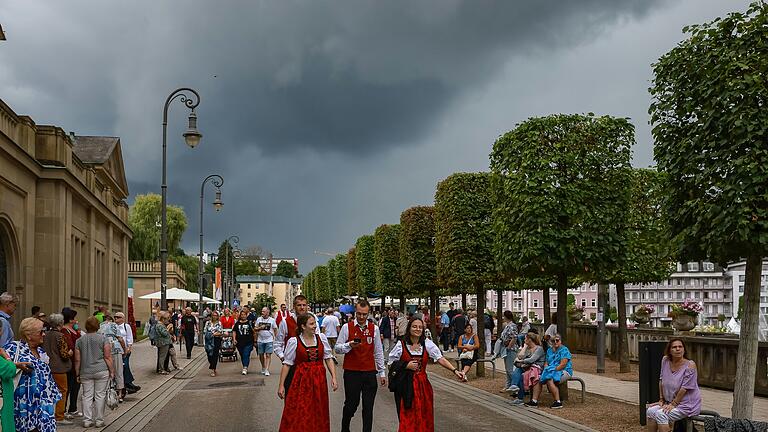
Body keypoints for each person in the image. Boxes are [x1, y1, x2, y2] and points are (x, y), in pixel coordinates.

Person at [389, 318, 465, 431]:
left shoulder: (427, 343)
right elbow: (391, 363)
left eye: (420, 327)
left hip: (423, 386)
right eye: (414, 326)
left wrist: (455, 370)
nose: (417, 329)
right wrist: (405, 365)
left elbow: (440, 358)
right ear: (409, 328)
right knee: (408, 417)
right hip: (406, 386)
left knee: (424, 416)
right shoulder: (401, 344)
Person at [278, 313, 338, 431]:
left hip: (319, 380)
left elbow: (328, 358)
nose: (315, 326)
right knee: (302, 410)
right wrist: (281, 386)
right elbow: (287, 364)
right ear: (303, 326)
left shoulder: (322, 338)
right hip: (302, 382)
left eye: (315, 323)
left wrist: (334, 377)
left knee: (319, 410)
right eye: (311, 324)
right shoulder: (294, 341)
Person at [334, 299, 386, 432]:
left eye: (364, 314)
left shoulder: (374, 328)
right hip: (352, 372)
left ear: (368, 313)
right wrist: (348, 345)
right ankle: (345, 428)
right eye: (359, 314)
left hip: (369, 372)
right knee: (352, 404)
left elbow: (378, 352)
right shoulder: (347, 327)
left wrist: (382, 373)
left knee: (368, 407)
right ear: (355, 313)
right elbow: (338, 348)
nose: (362, 317)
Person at [5, 317, 62, 432]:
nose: (44, 334)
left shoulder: (41, 352)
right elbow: (4, 368)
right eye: (41, 331)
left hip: (44, 408)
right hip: (24, 408)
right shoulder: (13, 348)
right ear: (28, 335)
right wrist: (15, 365)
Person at [646, 338, 701, 432]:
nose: (678, 349)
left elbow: (685, 388)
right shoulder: (665, 360)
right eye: (674, 347)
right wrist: (661, 399)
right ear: (669, 350)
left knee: (661, 414)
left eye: (680, 347)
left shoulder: (690, 365)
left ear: (684, 349)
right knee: (650, 411)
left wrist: (673, 404)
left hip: (686, 404)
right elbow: (661, 380)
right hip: (669, 402)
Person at [75, 316, 114, 428]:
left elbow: (77, 359)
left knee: (86, 395)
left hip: (85, 371)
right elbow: (107, 357)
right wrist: (112, 371)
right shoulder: (103, 339)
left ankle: (87, 420)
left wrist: (77, 373)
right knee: (100, 395)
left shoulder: (79, 341)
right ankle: (99, 420)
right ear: (97, 326)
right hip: (101, 370)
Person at [42, 313, 74, 426]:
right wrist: (70, 353)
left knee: (49, 391)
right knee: (62, 391)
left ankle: (49, 413)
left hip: (47, 366)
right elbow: (64, 354)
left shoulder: (45, 334)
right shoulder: (60, 336)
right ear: (60, 323)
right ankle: (59, 416)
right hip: (59, 368)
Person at [527, 333, 573, 409]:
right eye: (552, 341)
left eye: (557, 340)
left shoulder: (564, 350)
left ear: (560, 341)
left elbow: (563, 365)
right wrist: (547, 370)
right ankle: (534, 401)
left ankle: (557, 402)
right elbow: (546, 363)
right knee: (537, 378)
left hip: (564, 371)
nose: (555, 342)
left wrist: (551, 371)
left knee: (549, 379)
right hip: (551, 370)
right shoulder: (549, 350)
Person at [275, 295, 318, 362]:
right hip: (292, 363)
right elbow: (278, 343)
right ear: (294, 306)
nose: (302, 307)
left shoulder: (313, 321)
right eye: (299, 305)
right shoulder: (285, 322)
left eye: (304, 305)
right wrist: (282, 356)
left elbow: (318, 338)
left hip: (310, 362)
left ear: (307, 306)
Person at [509, 332, 545, 405]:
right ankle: (515, 387)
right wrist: (524, 347)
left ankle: (518, 394)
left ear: (529, 340)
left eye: (525, 338)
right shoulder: (528, 349)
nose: (524, 340)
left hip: (536, 369)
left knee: (520, 374)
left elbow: (532, 360)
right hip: (528, 368)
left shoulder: (539, 348)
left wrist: (521, 361)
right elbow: (519, 356)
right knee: (518, 371)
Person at [61, 307, 83, 419]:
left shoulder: (74, 330)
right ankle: (63, 410)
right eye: (74, 319)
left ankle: (73, 408)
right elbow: (71, 347)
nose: (76, 321)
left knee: (76, 386)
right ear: (70, 320)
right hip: (70, 364)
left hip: (77, 364)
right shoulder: (65, 331)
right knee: (68, 387)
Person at [99, 314, 126, 402]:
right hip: (116, 350)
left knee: (108, 371)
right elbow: (120, 339)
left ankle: (106, 392)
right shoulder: (114, 325)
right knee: (118, 371)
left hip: (105, 350)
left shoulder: (100, 326)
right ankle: (119, 394)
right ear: (111, 319)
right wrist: (124, 349)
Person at [115, 312, 140, 395]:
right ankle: (128, 384)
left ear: (122, 318)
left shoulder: (126, 326)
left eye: (118, 317)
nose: (116, 319)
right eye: (115, 317)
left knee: (125, 366)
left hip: (126, 350)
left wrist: (129, 347)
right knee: (121, 368)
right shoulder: (113, 326)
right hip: (117, 351)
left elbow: (129, 337)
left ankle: (128, 385)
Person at [497, 311, 518, 392]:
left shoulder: (512, 326)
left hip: (510, 349)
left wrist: (509, 347)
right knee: (508, 368)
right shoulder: (508, 325)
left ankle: (515, 385)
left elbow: (514, 337)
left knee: (510, 369)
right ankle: (508, 385)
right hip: (506, 348)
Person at [255, 307, 277, 376]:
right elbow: (255, 328)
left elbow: (275, 329)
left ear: (268, 312)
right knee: (261, 355)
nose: (262, 313)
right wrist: (259, 328)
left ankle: (267, 369)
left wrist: (276, 338)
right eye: (262, 311)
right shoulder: (259, 319)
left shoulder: (272, 320)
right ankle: (263, 367)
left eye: (264, 312)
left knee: (268, 354)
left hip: (269, 340)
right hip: (260, 339)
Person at [233, 309, 255, 375]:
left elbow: (254, 331)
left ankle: (245, 368)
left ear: (246, 315)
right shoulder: (237, 323)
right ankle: (244, 365)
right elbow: (234, 331)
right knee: (242, 355)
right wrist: (234, 339)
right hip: (239, 342)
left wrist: (255, 340)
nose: (243, 316)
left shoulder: (249, 323)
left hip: (248, 342)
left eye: (244, 315)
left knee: (246, 354)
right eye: (242, 315)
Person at [204, 310, 224, 377]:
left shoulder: (219, 323)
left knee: (215, 355)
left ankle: (212, 369)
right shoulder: (208, 323)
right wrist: (210, 334)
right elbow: (205, 330)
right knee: (209, 354)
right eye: (213, 315)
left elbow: (220, 332)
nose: (214, 316)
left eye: (216, 315)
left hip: (216, 340)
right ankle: (213, 367)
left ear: (218, 316)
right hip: (208, 340)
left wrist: (214, 334)